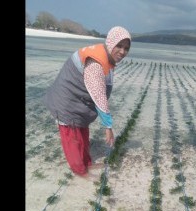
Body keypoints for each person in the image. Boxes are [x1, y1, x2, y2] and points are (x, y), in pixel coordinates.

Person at [44, 26, 131, 179]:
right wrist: (108, 126)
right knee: (72, 139)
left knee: (83, 133)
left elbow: (102, 89)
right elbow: (99, 96)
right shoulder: (96, 63)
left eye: (126, 48)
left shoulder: (106, 58)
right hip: (67, 103)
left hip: (79, 103)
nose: (122, 51)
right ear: (110, 43)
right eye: (119, 46)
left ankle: (87, 163)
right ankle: (80, 171)